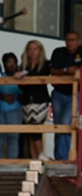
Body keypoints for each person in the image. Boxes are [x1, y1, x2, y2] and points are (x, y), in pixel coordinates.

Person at [16, 40, 51, 160]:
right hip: (26, 101)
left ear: (40, 51)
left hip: (40, 101)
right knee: (30, 133)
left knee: (36, 128)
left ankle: (41, 154)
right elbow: (20, 86)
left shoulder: (46, 64)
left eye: (35, 48)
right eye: (30, 49)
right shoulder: (23, 65)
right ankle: (35, 159)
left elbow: (42, 74)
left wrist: (25, 74)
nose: (33, 52)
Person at [49, 31, 81, 161]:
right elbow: (52, 71)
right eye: (68, 40)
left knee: (66, 124)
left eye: (73, 40)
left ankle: (64, 158)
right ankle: (60, 158)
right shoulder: (58, 52)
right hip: (58, 93)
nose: (70, 43)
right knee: (58, 126)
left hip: (75, 94)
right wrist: (67, 70)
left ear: (79, 41)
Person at [0, 53, 22, 159]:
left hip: (15, 109)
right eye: (9, 62)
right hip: (0, 109)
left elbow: (25, 93)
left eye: (14, 62)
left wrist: (15, 97)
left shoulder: (20, 77)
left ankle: (13, 164)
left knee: (13, 138)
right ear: (4, 64)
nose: (12, 65)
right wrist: (2, 96)